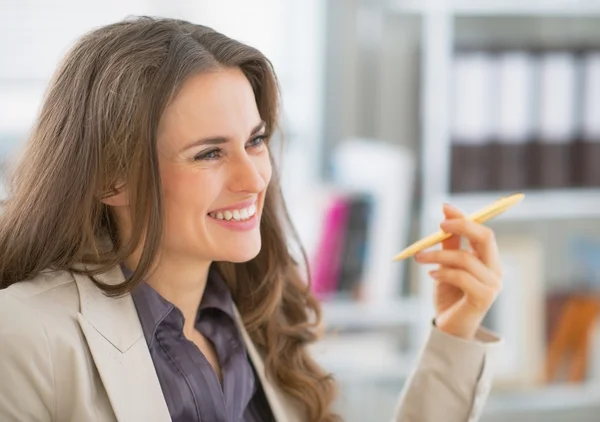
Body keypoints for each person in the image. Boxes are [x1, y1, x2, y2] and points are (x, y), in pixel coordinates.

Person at [0, 16, 503, 422]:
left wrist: (455, 333)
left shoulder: (261, 316)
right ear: (111, 179)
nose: (254, 178)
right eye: (209, 154)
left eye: (255, 141)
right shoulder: (24, 335)